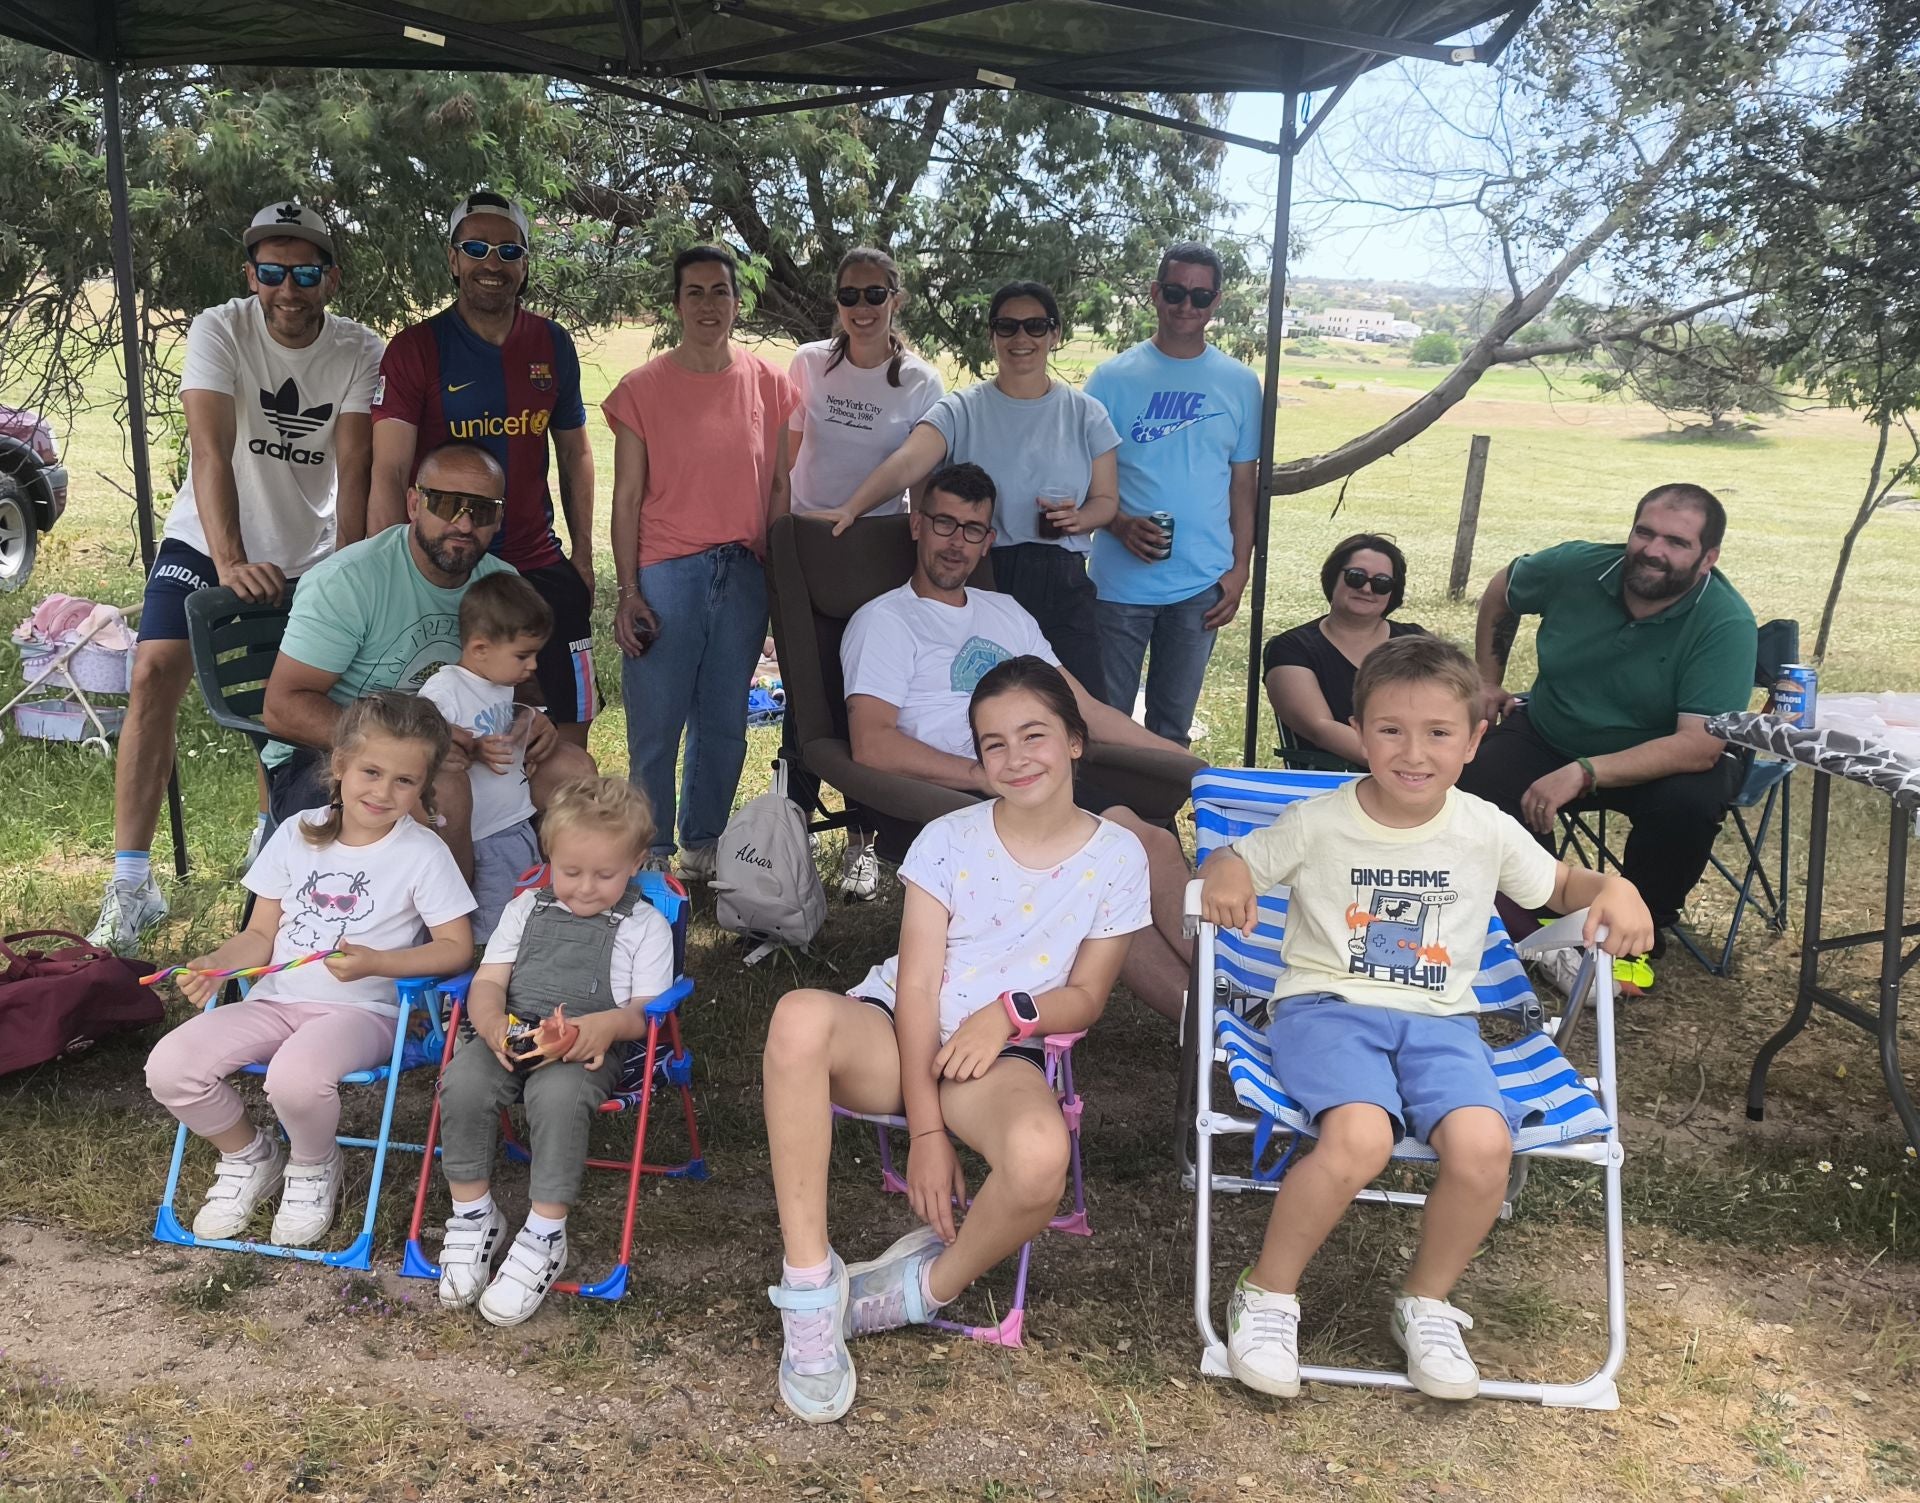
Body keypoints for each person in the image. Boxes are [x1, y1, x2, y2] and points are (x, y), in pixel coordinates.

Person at [1199, 635, 1652, 1402]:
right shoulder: (1318, 821)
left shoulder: (1485, 827)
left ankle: (1427, 1300)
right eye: (1390, 730)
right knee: (1361, 1135)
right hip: (1326, 1009)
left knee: (1483, 1146)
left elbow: (1565, 884)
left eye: (1439, 733)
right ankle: (1267, 1291)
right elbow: (1234, 859)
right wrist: (1226, 875)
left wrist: (1621, 888)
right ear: (1358, 727)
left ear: (1475, 739)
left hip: (1442, 1023)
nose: (1414, 752)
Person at [762, 657, 1151, 1422]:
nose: (1016, 757)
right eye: (994, 743)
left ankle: (917, 1289)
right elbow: (914, 986)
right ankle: (810, 1288)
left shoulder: (1117, 855)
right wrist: (928, 1131)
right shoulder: (948, 838)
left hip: (998, 1052)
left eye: (1035, 734)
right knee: (797, 1017)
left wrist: (1009, 1012)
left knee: (1041, 1157)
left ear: (1075, 741)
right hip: (895, 1030)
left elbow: (1089, 996)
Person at [91, 201, 385, 955]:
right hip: (209, 539)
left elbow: (356, 466)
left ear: (333, 277)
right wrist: (229, 564)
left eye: (307, 271)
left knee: (288, 701)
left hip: (308, 552)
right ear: (250, 273)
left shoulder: (359, 348)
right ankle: (131, 881)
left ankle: (273, 839)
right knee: (154, 670)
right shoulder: (220, 328)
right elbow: (210, 449)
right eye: (273, 271)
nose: (289, 288)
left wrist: (348, 569)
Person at [839, 462, 1196, 1021]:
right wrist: (980, 775)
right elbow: (871, 743)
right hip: (968, 793)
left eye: (972, 529)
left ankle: (1221, 1018)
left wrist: (1197, 766)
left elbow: (1087, 711)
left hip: (1041, 776)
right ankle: (1221, 1027)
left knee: (1149, 848)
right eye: (944, 524)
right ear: (916, 526)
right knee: (1125, 856)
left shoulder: (1006, 613)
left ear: (989, 541)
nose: (956, 543)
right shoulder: (884, 621)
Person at [144, 692, 475, 1248]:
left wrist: (380, 963)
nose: (383, 791)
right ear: (340, 765)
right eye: (371, 771)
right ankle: (251, 1156)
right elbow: (259, 935)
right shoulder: (298, 831)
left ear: (423, 786)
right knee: (170, 1067)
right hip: (275, 999)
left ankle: (314, 1164)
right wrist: (217, 964)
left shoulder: (423, 853)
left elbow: (456, 949)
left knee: (294, 1080)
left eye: (404, 781)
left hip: (364, 1013)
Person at [1460, 484, 1757, 988]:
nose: (1653, 551)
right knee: (1478, 776)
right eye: (1644, 532)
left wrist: (1584, 772)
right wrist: (1486, 680)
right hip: (1553, 728)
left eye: (1676, 542)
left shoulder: (1726, 621)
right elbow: (1502, 591)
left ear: (1708, 558)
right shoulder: (1574, 566)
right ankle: (1541, 916)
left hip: (1659, 754)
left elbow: (1700, 745)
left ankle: (1637, 936)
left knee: (1692, 800)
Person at [262, 441, 597, 881]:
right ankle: (453, 930)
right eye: (446, 504)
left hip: (469, 748)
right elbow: (283, 707)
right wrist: (411, 747)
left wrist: (531, 721)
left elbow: (514, 684)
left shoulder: (500, 582)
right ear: (414, 504)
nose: (462, 523)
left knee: (574, 771)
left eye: (481, 510)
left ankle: (557, 914)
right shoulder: (350, 581)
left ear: (498, 518)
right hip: (330, 757)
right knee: (441, 786)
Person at [433, 776, 674, 1327]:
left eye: (604, 874)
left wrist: (604, 1028)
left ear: (636, 862)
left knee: (560, 1098)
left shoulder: (645, 926)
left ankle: (544, 1233)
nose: (585, 888)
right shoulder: (525, 910)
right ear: (550, 857)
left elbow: (643, 1012)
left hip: (589, 1046)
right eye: (570, 872)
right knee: (462, 1084)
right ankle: (473, 1216)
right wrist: (492, 1027)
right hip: (511, 1034)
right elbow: (488, 983)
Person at [367, 192, 598, 751]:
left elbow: (575, 453)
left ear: (525, 262)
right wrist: (388, 571)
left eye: (508, 249)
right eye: (476, 247)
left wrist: (584, 557)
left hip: (540, 563)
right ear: (453, 259)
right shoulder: (416, 349)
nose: (491, 263)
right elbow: (389, 468)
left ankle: (557, 836)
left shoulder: (552, 343)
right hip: (454, 565)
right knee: (459, 734)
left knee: (569, 726)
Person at [819, 281, 1119, 699]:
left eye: (1035, 326)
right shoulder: (961, 408)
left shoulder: (1087, 413)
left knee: (1083, 706)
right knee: (989, 702)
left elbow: (1107, 500)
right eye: (1007, 326)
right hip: (982, 572)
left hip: (1062, 579)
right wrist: (853, 508)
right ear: (992, 335)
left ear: (1055, 334)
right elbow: (908, 461)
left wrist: (1080, 518)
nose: (1021, 338)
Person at [603, 244, 796, 880]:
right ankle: (650, 851)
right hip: (667, 574)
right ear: (677, 303)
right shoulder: (642, 390)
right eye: (695, 292)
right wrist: (628, 591)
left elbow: (776, 490)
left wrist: (776, 582)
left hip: (742, 573)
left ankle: (704, 843)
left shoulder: (771, 384)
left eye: (721, 291)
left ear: (739, 302)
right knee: (655, 723)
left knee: (723, 723)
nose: (709, 304)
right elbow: (626, 496)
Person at [784, 247, 945, 900]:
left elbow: (923, 482)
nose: (861, 308)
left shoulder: (920, 382)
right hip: (807, 545)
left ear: (896, 300)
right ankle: (789, 836)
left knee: (870, 695)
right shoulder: (806, 364)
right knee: (805, 692)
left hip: (875, 555)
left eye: (875, 295)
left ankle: (862, 840)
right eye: (849, 296)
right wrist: (777, 537)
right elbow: (783, 458)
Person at [1086, 242, 1261, 745]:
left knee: (1171, 730)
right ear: (1154, 294)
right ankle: (1106, 822)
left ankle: (1158, 822)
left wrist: (1239, 569)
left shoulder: (1240, 383)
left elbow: (1242, 483)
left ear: (1217, 302)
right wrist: (1119, 525)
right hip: (1119, 584)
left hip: (1200, 583)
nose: (1187, 305)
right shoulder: (1111, 378)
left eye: (1200, 295)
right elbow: (1084, 477)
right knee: (1106, 726)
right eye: (1175, 291)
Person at [417, 572, 551, 941]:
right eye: (523, 655)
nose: (533, 665)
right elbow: (421, 741)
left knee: (522, 917)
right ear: (480, 649)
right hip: (484, 837)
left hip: (518, 825)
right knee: (494, 930)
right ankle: (469, 987)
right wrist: (472, 748)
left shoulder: (503, 684)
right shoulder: (446, 689)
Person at [1264, 534, 1428, 771]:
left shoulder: (1417, 640)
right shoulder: (1292, 648)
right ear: (1333, 577)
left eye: (1381, 583)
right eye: (1355, 577)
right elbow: (1320, 728)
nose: (1366, 588)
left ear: (1393, 591)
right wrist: (1404, 762)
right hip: (1338, 780)